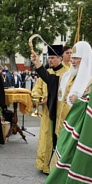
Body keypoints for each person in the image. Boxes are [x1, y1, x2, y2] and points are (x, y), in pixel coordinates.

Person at [33, 45, 68, 174]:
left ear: (60, 58)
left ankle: (57, 167)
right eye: (49, 58)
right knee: (46, 138)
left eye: (53, 58)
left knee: (57, 138)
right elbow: (36, 89)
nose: (50, 60)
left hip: (61, 113)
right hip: (47, 112)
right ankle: (44, 164)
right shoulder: (48, 71)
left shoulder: (67, 72)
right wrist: (40, 98)